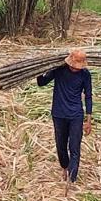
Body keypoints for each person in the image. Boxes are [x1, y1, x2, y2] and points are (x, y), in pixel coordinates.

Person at [37, 49, 92, 184]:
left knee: (74, 147)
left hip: (76, 116)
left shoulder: (85, 74)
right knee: (61, 146)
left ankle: (71, 179)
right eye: (74, 65)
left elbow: (89, 96)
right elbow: (42, 83)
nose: (75, 68)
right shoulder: (59, 70)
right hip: (59, 114)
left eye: (78, 66)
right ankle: (65, 167)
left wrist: (88, 120)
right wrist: (38, 70)